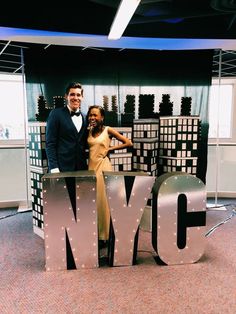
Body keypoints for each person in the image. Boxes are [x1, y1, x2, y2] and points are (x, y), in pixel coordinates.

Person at [87, 105, 133, 249]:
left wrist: (110, 149)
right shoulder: (88, 131)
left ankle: (104, 236)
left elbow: (128, 142)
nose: (92, 118)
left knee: (102, 202)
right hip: (91, 168)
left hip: (103, 167)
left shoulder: (108, 130)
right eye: (90, 115)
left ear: (102, 117)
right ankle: (94, 233)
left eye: (95, 115)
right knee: (93, 202)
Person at [45, 82, 88, 215]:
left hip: (80, 167)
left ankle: (76, 232)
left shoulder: (85, 117)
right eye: (72, 94)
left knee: (79, 202)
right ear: (66, 97)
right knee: (61, 203)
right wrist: (54, 168)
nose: (75, 97)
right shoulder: (56, 114)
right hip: (62, 167)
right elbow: (50, 143)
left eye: (78, 95)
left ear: (82, 97)